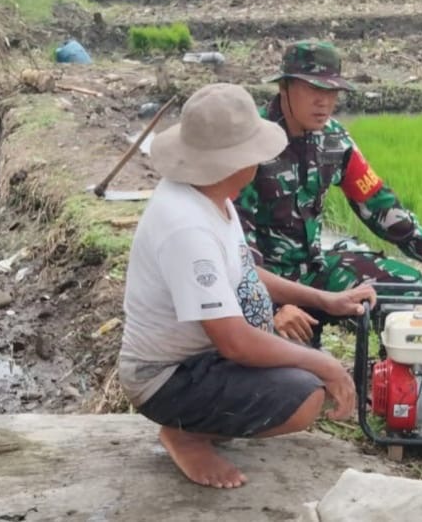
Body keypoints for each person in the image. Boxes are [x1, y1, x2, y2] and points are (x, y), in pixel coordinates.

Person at [117, 83, 376, 489]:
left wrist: (325, 298)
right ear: (234, 162)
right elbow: (234, 342)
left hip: (202, 357)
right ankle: (185, 433)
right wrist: (326, 364)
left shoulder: (213, 196)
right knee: (306, 396)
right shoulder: (187, 228)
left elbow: (244, 271)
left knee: (301, 364)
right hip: (166, 376)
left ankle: (201, 422)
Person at [235, 39, 422, 344]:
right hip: (267, 282)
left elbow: (377, 202)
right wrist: (271, 305)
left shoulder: (334, 140)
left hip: (315, 270)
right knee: (292, 367)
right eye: (314, 89)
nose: (324, 102)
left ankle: (396, 376)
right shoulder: (253, 142)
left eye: (331, 92)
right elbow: (235, 248)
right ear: (285, 87)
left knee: (405, 285)